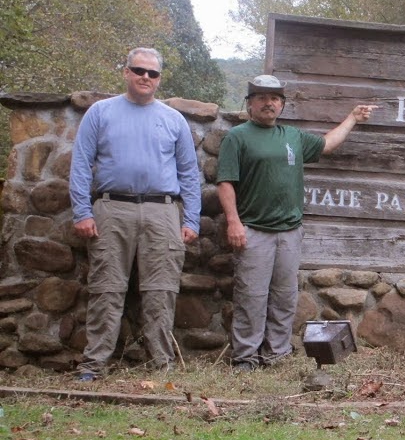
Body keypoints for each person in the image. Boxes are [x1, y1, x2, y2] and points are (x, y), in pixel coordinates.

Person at [216, 75, 377, 371]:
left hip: (289, 232)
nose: (268, 103)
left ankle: (276, 354)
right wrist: (233, 222)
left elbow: (327, 144)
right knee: (251, 297)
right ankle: (245, 358)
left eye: (274, 98)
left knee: (284, 297)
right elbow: (225, 182)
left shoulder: (292, 136)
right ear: (250, 103)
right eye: (262, 98)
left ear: (281, 104)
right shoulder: (237, 137)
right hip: (254, 231)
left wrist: (353, 118)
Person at [69, 48, 201, 381]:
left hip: (163, 211)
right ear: (126, 72)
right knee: (106, 288)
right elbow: (81, 164)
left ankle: (161, 364)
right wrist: (82, 212)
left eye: (152, 73)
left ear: (159, 79)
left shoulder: (173, 119)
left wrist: (191, 219)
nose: (145, 77)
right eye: (139, 70)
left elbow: (189, 172)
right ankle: (93, 365)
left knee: (161, 290)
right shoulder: (100, 112)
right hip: (111, 208)